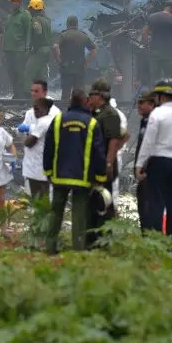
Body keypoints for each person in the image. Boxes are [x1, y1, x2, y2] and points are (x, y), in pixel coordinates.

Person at [42, 89, 108, 254]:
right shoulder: (92, 123)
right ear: (85, 101)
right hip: (82, 178)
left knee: (56, 212)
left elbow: (48, 148)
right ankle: (78, 250)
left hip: (59, 176)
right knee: (79, 215)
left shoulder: (58, 120)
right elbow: (99, 152)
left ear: (71, 101)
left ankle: (50, 248)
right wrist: (100, 176)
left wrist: (48, 171)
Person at [134, 80, 172, 244]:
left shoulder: (157, 114)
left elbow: (148, 142)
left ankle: (156, 240)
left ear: (160, 97)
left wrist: (140, 165)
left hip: (160, 162)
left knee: (156, 203)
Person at [87, 80, 128, 236]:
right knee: (95, 200)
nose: (90, 97)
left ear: (101, 95)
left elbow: (116, 139)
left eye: (93, 94)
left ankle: (107, 235)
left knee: (106, 200)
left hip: (106, 163)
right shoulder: (96, 112)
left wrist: (109, 161)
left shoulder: (111, 114)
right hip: (96, 163)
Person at [18, 79, 62, 199]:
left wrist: (30, 128)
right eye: (32, 91)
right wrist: (22, 131)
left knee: (45, 199)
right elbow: (23, 134)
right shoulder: (30, 112)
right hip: (31, 162)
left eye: (36, 91)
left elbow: (49, 131)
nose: (33, 94)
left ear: (45, 92)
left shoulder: (54, 112)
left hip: (46, 161)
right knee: (31, 199)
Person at [53, 15, 97, 101]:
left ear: (67, 24)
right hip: (80, 68)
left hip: (66, 68)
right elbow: (94, 48)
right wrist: (87, 62)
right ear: (77, 24)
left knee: (66, 93)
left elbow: (55, 47)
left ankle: (65, 111)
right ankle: (79, 112)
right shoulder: (83, 35)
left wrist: (59, 60)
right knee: (79, 94)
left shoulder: (63, 35)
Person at [141, 0, 172, 83]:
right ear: (171, 7)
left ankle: (154, 94)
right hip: (168, 53)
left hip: (154, 51)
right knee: (168, 77)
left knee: (154, 76)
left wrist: (146, 45)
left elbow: (144, 32)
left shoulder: (152, 16)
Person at [132, 93, 157, 228]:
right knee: (142, 205)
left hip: (150, 173)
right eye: (138, 102)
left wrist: (147, 169)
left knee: (149, 207)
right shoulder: (145, 120)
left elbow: (153, 148)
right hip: (142, 171)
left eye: (142, 103)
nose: (139, 106)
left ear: (151, 105)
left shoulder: (154, 121)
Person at [3, 0, 32, 99]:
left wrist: (27, 48)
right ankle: (16, 94)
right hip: (9, 50)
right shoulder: (10, 16)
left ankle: (21, 96)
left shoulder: (25, 15)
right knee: (11, 73)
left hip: (19, 50)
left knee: (20, 73)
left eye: (16, 0)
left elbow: (29, 32)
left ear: (20, 1)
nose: (14, 3)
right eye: (12, 1)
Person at [25, 0, 52, 86]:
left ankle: (27, 95)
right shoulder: (47, 20)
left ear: (33, 8)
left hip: (39, 50)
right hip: (46, 50)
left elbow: (38, 31)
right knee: (41, 75)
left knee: (28, 74)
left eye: (30, 8)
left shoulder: (35, 20)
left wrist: (33, 47)